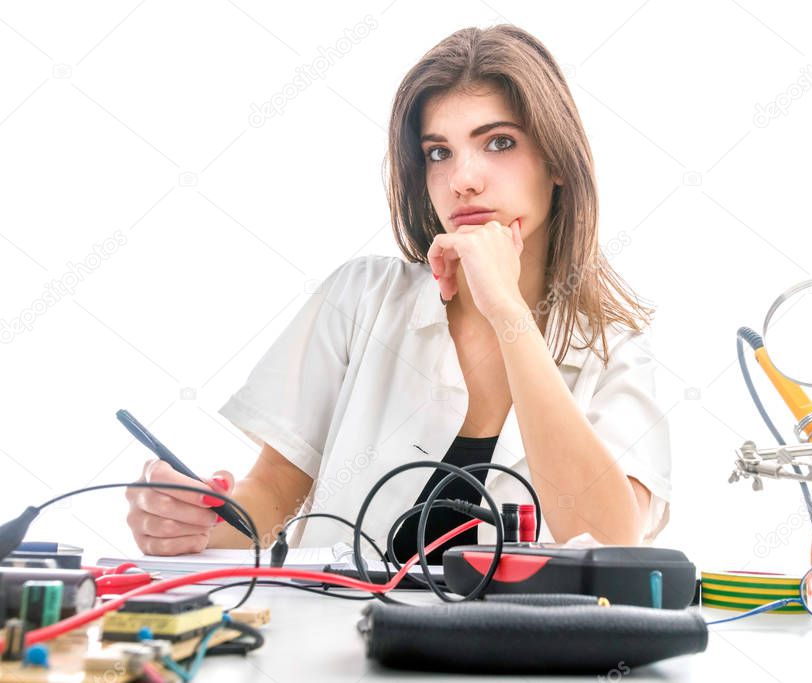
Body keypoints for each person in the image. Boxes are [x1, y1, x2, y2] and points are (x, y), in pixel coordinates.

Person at [125, 24, 672, 561]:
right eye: (439, 152)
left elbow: (611, 543)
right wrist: (195, 525)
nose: (463, 179)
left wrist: (507, 311)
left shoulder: (615, 351)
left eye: (499, 142)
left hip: (521, 651)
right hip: (345, 642)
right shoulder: (360, 298)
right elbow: (268, 497)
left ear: (556, 160)